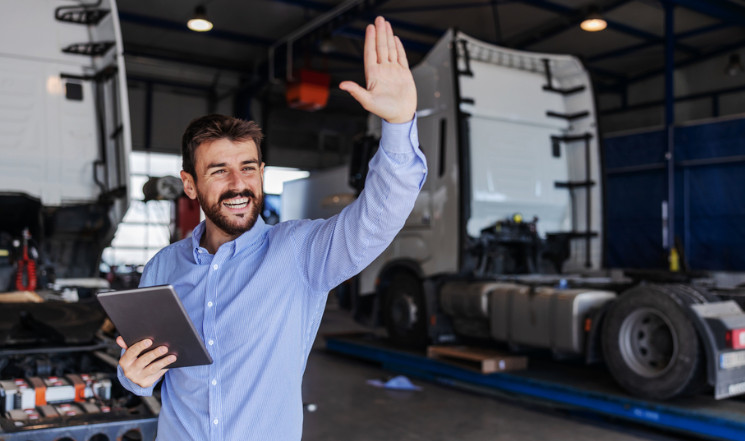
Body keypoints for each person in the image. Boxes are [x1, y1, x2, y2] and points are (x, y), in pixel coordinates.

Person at [116, 16, 426, 441]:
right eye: (219, 171)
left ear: (261, 173)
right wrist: (133, 377)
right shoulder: (161, 269)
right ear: (189, 184)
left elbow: (378, 217)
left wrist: (399, 126)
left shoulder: (300, 253)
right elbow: (148, 377)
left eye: (248, 168)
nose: (238, 184)